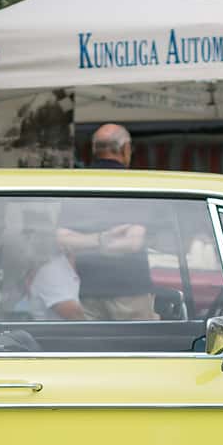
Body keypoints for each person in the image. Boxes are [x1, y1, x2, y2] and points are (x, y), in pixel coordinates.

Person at [56, 123, 155, 320]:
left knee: (95, 346)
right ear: (126, 149)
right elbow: (133, 242)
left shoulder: (77, 186)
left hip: (88, 292)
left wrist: (93, 241)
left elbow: (62, 238)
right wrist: (106, 240)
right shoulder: (138, 185)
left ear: (94, 150)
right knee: (137, 347)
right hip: (131, 292)